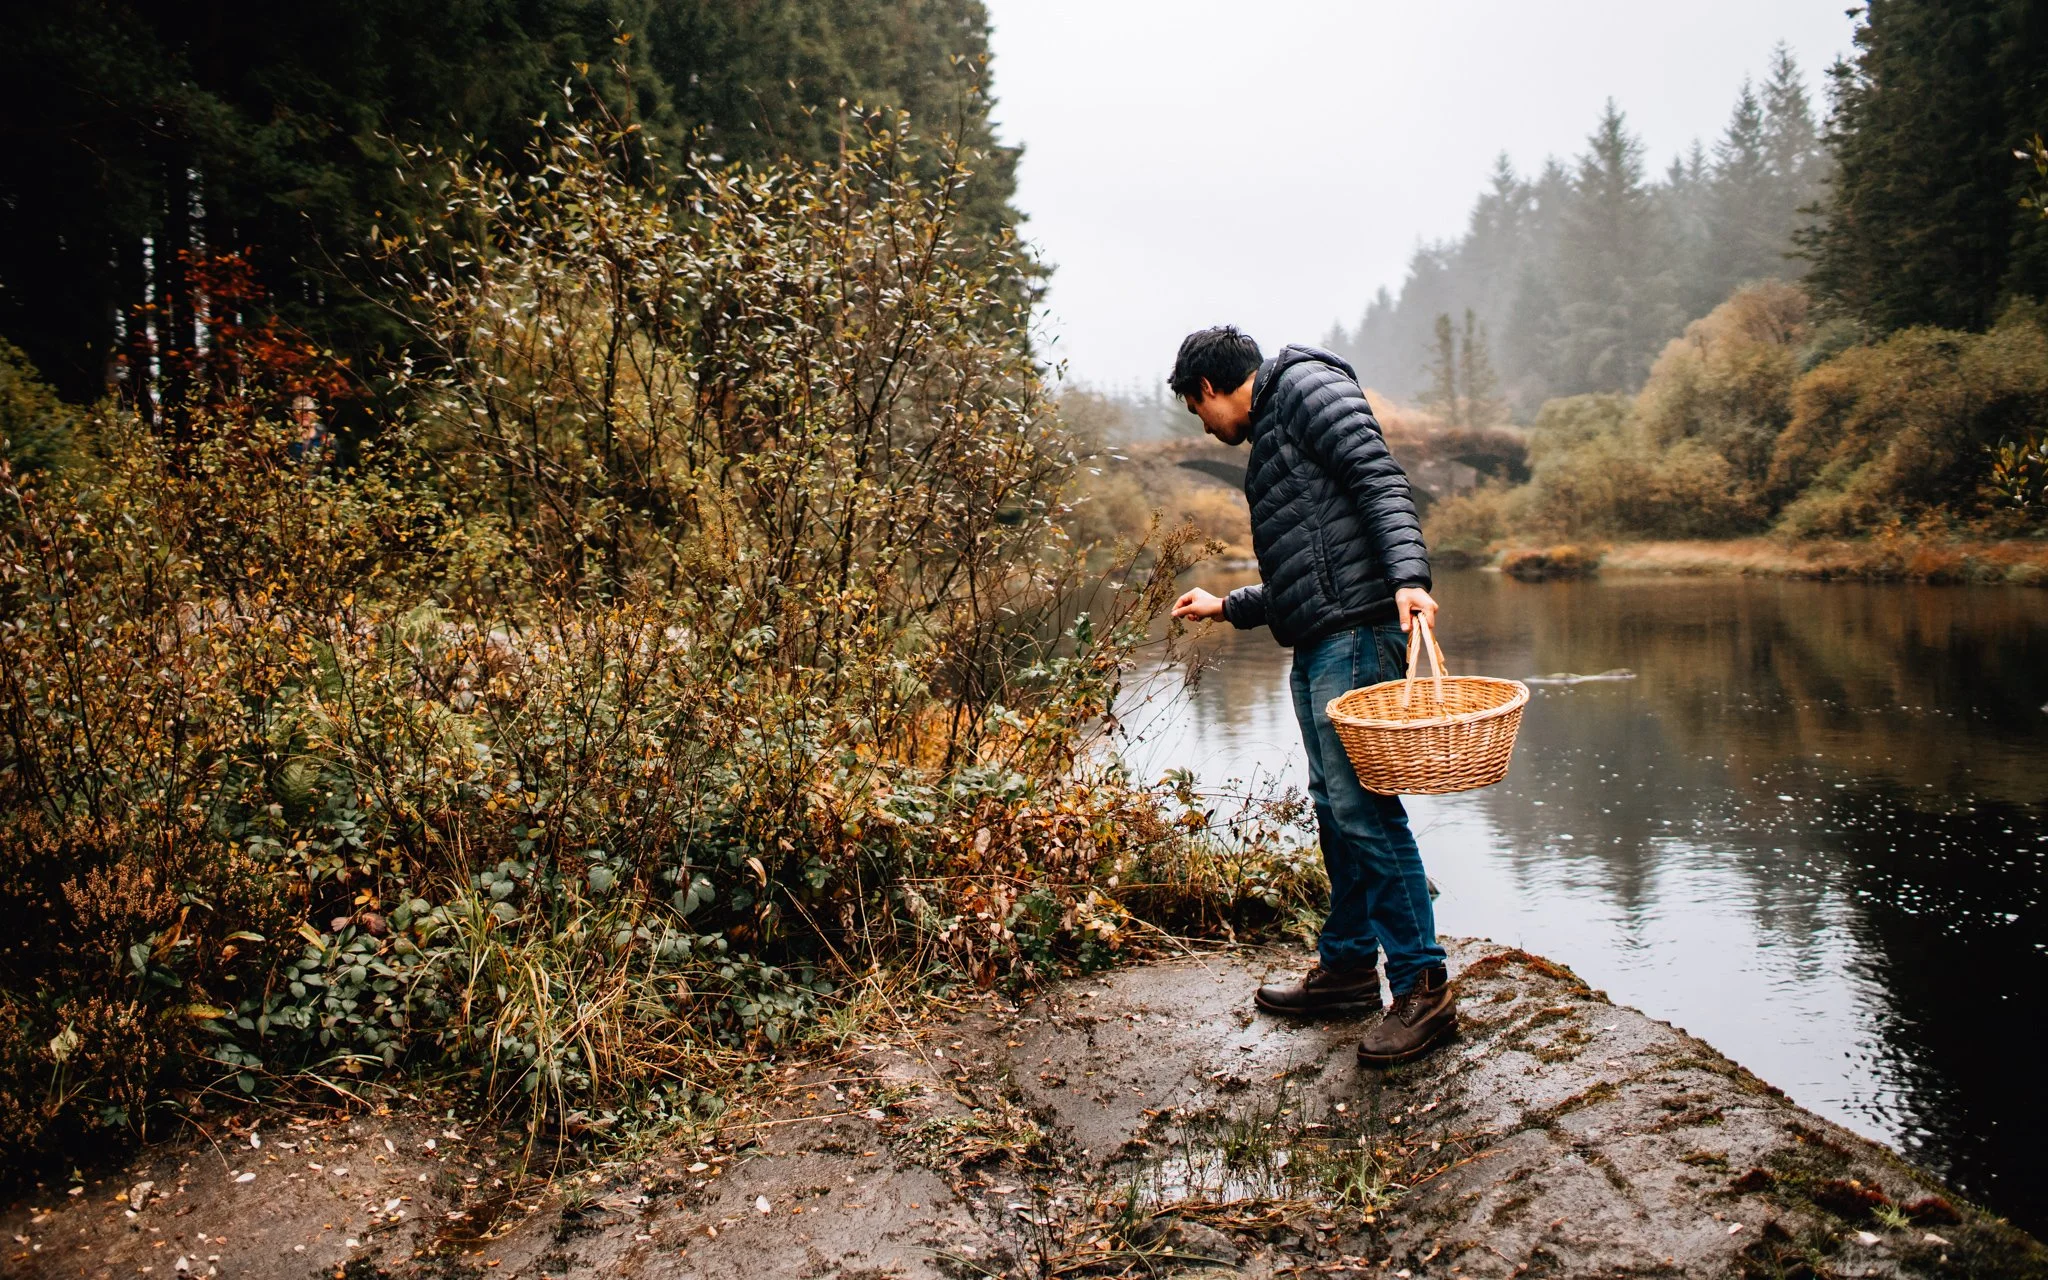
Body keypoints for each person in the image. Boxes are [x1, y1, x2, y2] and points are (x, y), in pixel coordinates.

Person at [1167, 325, 1456, 1066]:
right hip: (1327, 635)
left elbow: (1379, 479)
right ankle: (1351, 967)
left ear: (1207, 388)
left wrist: (1410, 579)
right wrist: (1228, 606)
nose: (1203, 427)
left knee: (1363, 807)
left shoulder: (1305, 387)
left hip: (1359, 635)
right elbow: (1312, 567)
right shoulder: (1277, 430)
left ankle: (1423, 987)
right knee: (1335, 804)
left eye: (1197, 411)